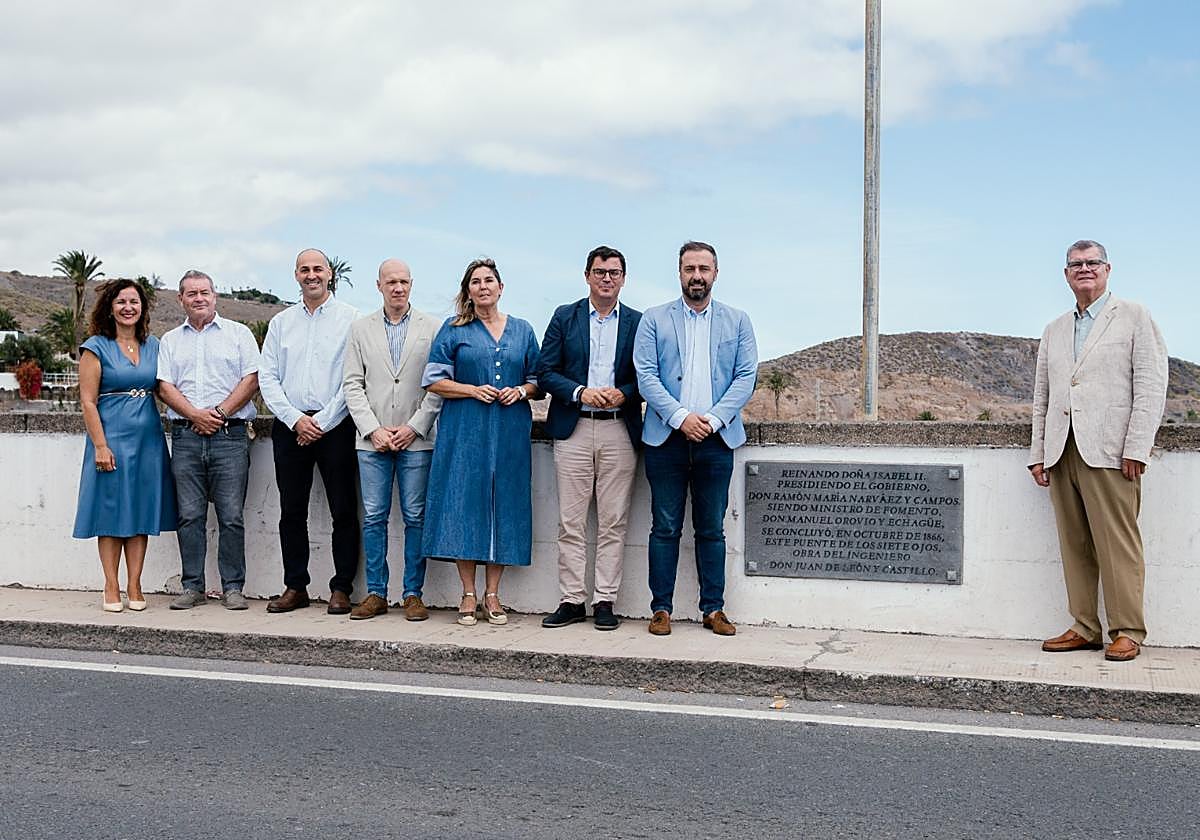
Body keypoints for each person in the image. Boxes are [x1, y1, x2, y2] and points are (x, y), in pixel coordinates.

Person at [1030, 240, 1168, 662]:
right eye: (1076, 264)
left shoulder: (1133, 316)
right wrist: (1038, 451)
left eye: (1092, 263)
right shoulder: (1054, 329)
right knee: (1075, 544)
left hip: (1110, 450)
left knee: (1117, 543)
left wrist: (1138, 446)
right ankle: (1085, 626)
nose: (1084, 269)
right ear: (1066, 274)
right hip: (1062, 449)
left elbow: (1151, 383)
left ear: (1108, 269)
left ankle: (1127, 630)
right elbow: (1043, 395)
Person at [633, 241, 757, 637]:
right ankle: (661, 609)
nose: (697, 275)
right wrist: (681, 417)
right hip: (665, 438)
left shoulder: (738, 322)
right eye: (690, 268)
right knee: (664, 526)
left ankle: (713, 609)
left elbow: (745, 377)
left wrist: (715, 420)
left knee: (711, 528)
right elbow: (646, 376)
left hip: (717, 440)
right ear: (680, 272)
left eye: (704, 268)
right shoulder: (654, 320)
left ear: (716, 273)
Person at [421, 258, 541, 626]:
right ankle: (468, 593)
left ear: (501, 288)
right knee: (464, 503)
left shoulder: (522, 330)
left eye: (489, 280)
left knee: (505, 504)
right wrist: (471, 389)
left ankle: (493, 593)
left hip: (509, 431)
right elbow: (433, 379)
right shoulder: (453, 329)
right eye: (476, 282)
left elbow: (538, 379)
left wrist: (520, 391)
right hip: (464, 429)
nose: (483, 286)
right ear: (468, 291)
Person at [537, 245, 642, 630]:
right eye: (600, 272)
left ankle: (604, 600)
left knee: (613, 520)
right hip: (574, 426)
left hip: (619, 427)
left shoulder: (638, 322)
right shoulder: (564, 317)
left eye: (614, 272)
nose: (607, 278)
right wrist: (580, 391)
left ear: (623, 278)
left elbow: (648, 375)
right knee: (570, 520)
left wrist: (624, 393)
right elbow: (545, 372)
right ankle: (571, 599)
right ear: (587, 276)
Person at [259, 248, 360, 615]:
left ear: (330, 274)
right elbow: (267, 377)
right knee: (291, 511)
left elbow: (353, 380)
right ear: (296, 275)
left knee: (344, 510)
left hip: (335, 426)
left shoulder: (352, 321)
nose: (311, 274)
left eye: (318, 268)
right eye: (305, 269)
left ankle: (342, 587)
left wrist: (321, 422)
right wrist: (294, 419)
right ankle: (295, 585)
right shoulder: (281, 322)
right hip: (290, 427)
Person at [343, 258, 444, 621]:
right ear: (379, 285)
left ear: (411, 285)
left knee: (416, 516)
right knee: (373, 517)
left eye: (403, 281)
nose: (397, 288)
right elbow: (352, 384)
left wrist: (414, 426)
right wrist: (373, 429)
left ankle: (413, 593)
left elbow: (437, 385)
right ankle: (375, 593)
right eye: (391, 282)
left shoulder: (432, 328)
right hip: (372, 442)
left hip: (416, 440)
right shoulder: (360, 329)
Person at [156, 270, 261, 610]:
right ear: (180, 299)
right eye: (191, 293)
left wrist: (217, 412)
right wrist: (194, 415)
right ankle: (192, 585)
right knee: (189, 515)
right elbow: (164, 386)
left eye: (205, 292)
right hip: (186, 437)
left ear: (215, 296)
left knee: (231, 515)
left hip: (230, 436)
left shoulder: (239, 334)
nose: (198, 298)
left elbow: (252, 379)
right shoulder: (170, 341)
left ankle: (233, 586)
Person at [73, 279, 178, 612]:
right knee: (111, 511)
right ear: (110, 307)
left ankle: (135, 584)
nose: (128, 307)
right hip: (111, 438)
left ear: (142, 308)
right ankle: (111, 585)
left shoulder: (155, 346)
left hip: (148, 439)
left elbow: (166, 388)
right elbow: (88, 402)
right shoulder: (96, 347)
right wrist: (100, 446)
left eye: (134, 301)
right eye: (121, 302)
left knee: (141, 510)